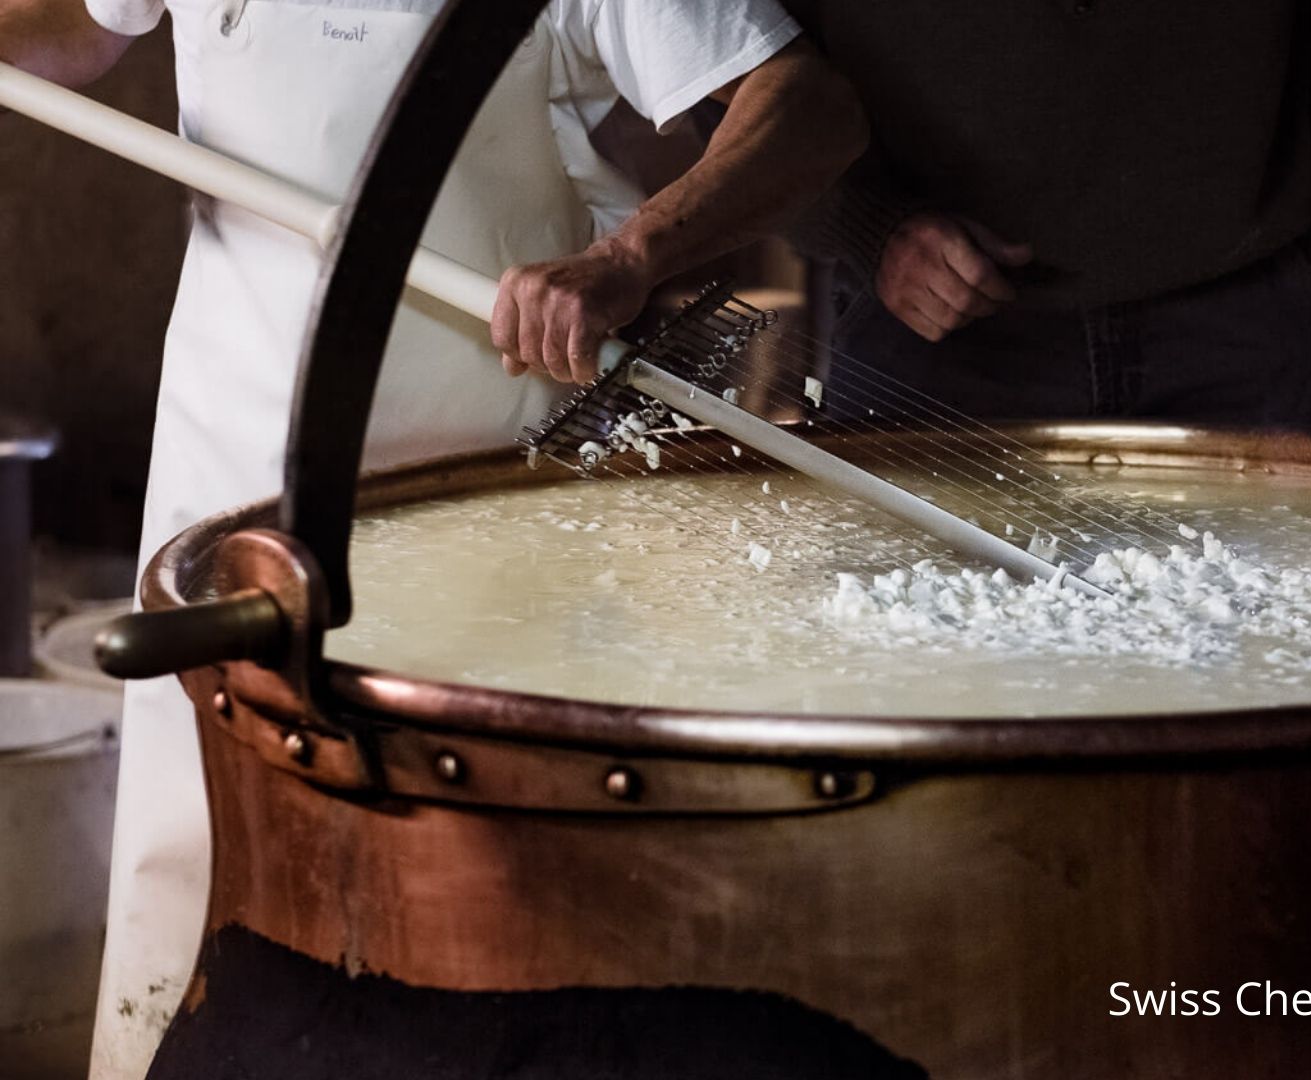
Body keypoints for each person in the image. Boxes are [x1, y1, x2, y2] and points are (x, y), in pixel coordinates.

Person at [0, 1, 865, 1076]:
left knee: (451, 911)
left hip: (462, 502)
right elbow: (80, 28)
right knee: (197, 870)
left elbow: (807, 107)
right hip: (223, 455)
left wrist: (626, 258)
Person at [782, 0, 1311, 426]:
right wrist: (866, 223)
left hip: (1245, 311)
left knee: (1270, 630)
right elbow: (725, 43)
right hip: (932, 326)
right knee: (907, 632)